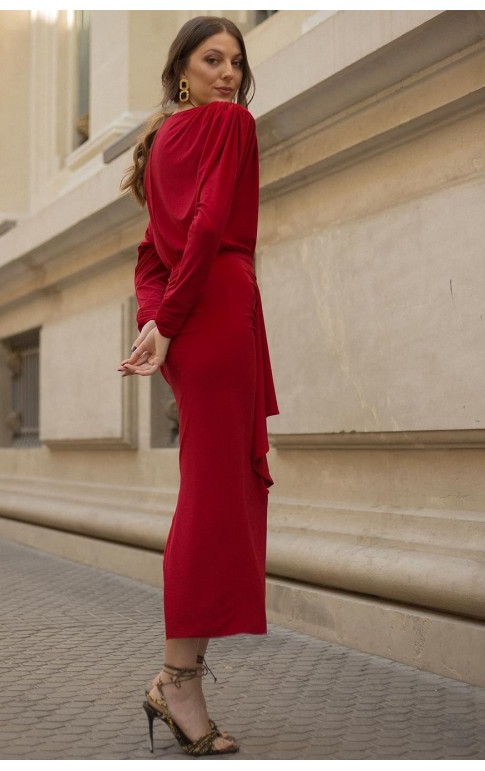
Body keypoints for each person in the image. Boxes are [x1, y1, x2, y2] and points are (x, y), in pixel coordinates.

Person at [118, 15, 279, 757]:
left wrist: (156, 323)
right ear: (181, 68)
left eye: (236, 62)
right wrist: (173, 322)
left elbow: (150, 258)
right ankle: (176, 679)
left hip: (191, 326)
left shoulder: (158, 144)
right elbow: (209, 225)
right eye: (212, 58)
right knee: (214, 500)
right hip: (213, 316)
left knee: (208, 495)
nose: (228, 72)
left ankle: (177, 676)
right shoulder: (231, 126)